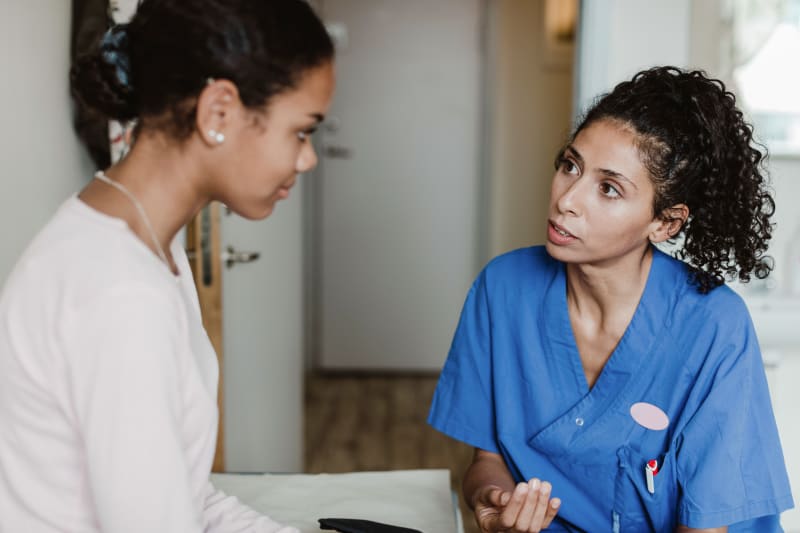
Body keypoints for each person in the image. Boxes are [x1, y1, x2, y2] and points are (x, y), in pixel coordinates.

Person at [0, 0, 334, 531]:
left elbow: (186, 496)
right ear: (218, 112)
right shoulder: (118, 290)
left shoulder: (149, 246)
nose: (308, 157)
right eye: (300, 130)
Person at [428, 66, 794, 532]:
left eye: (608, 188)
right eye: (570, 166)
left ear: (665, 223)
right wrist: (492, 505)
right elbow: (486, 461)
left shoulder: (713, 326)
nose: (567, 199)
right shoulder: (502, 290)